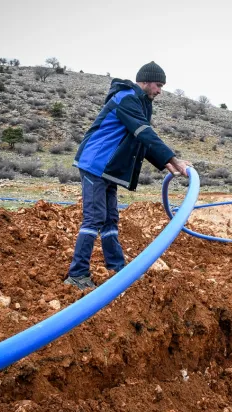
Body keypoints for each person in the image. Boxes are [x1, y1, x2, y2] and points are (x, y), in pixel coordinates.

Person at [64, 61, 191, 289]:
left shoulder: (142, 104)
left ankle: (117, 266)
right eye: (158, 85)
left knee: (111, 218)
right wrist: (174, 159)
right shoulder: (127, 97)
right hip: (95, 163)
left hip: (108, 168)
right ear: (144, 81)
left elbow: (142, 141)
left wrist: (167, 163)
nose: (160, 91)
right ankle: (77, 274)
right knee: (94, 218)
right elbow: (145, 133)